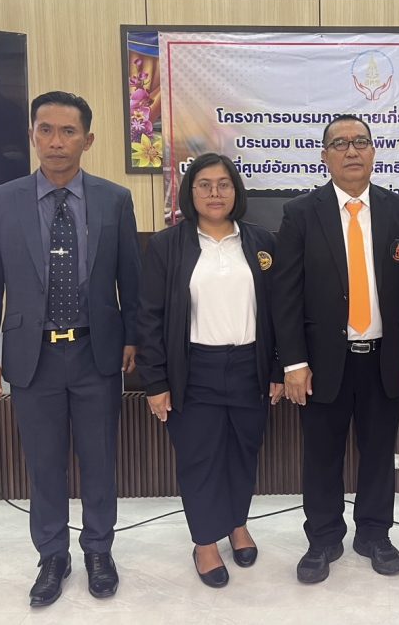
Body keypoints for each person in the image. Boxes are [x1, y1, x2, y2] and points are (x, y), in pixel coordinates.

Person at [0, 91, 140, 607]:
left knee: (100, 460)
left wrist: (134, 337)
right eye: (45, 130)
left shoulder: (114, 199)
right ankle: (52, 556)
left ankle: (99, 551)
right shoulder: (1, 202)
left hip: (96, 352)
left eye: (68, 131)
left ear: (88, 140)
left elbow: (131, 280)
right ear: (32, 135)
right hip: (32, 355)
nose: (56, 142)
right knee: (43, 464)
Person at [272, 115, 399, 584]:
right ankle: (323, 538)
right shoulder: (301, 213)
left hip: (384, 356)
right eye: (339, 144)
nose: (351, 150)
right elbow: (286, 295)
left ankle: (375, 534)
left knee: (380, 453)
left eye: (360, 141)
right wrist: (293, 363)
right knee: (322, 455)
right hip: (322, 363)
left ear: (373, 151)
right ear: (325, 156)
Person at [136, 152, 283, 588]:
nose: (215, 193)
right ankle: (204, 541)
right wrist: (155, 381)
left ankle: (237, 523)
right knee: (199, 458)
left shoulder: (261, 242)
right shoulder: (168, 245)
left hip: (250, 366)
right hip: (194, 369)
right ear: (191, 191)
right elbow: (149, 318)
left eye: (223, 184)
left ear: (236, 191)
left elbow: (279, 312)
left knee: (243, 451)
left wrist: (277, 369)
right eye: (204, 185)